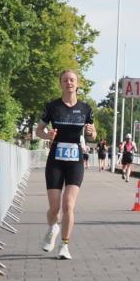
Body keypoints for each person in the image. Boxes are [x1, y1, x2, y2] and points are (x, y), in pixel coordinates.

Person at [35, 70, 95, 260]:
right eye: (65, 80)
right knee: (54, 208)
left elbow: (92, 136)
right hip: (56, 160)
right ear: (61, 84)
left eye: (72, 80)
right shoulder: (52, 106)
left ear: (77, 84)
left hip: (75, 160)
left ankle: (64, 245)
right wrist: (48, 135)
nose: (69, 82)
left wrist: (92, 132)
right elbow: (39, 130)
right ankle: (53, 228)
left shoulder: (86, 109)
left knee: (68, 205)